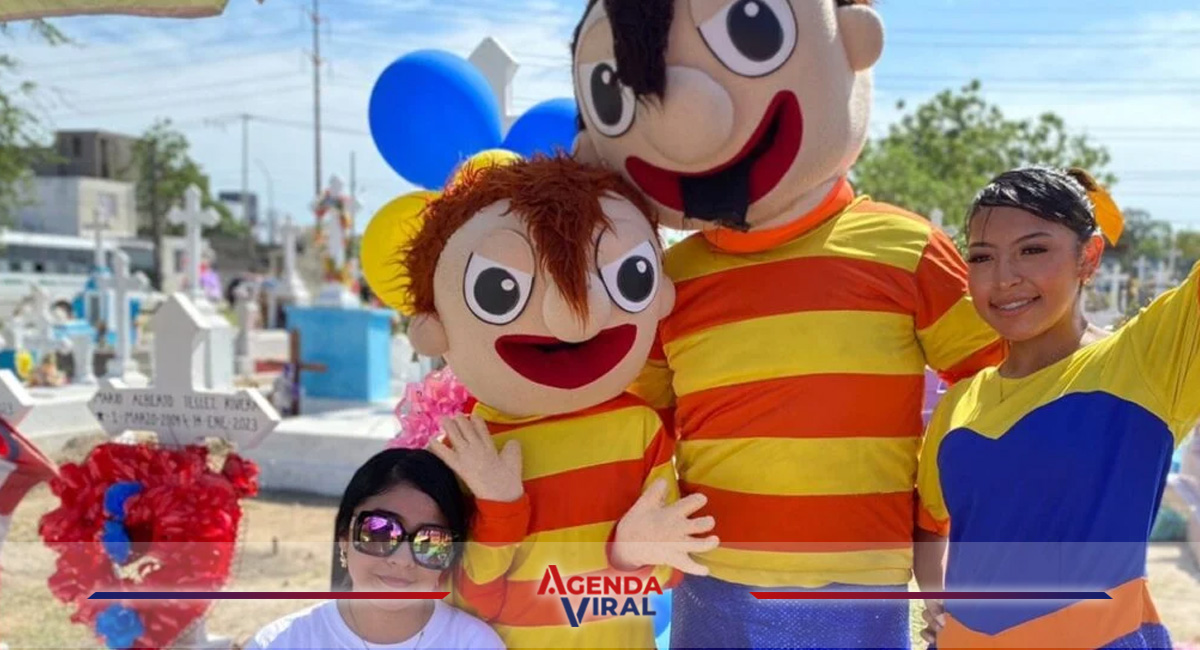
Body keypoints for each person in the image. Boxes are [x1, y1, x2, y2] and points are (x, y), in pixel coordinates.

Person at [569, 0, 1006, 646]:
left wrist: (937, 524)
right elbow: (643, 424)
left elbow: (993, 385)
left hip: (859, 580)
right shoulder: (669, 281)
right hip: (711, 578)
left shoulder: (906, 248)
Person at [362, 153, 717, 649]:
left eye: (626, 278)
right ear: (434, 325)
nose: (573, 320)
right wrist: (499, 506)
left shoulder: (639, 428)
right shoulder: (468, 447)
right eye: (499, 290)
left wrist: (631, 554)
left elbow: (667, 571)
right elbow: (468, 599)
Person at [917, 167, 1188, 649]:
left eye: (1033, 250)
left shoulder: (1146, 360)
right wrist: (938, 601)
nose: (1004, 278)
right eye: (982, 256)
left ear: (1089, 256)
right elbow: (928, 524)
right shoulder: (958, 406)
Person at [246, 448, 504, 649]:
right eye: (381, 531)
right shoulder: (282, 643)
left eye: (431, 541)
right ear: (344, 536)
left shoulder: (474, 644)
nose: (403, 559)